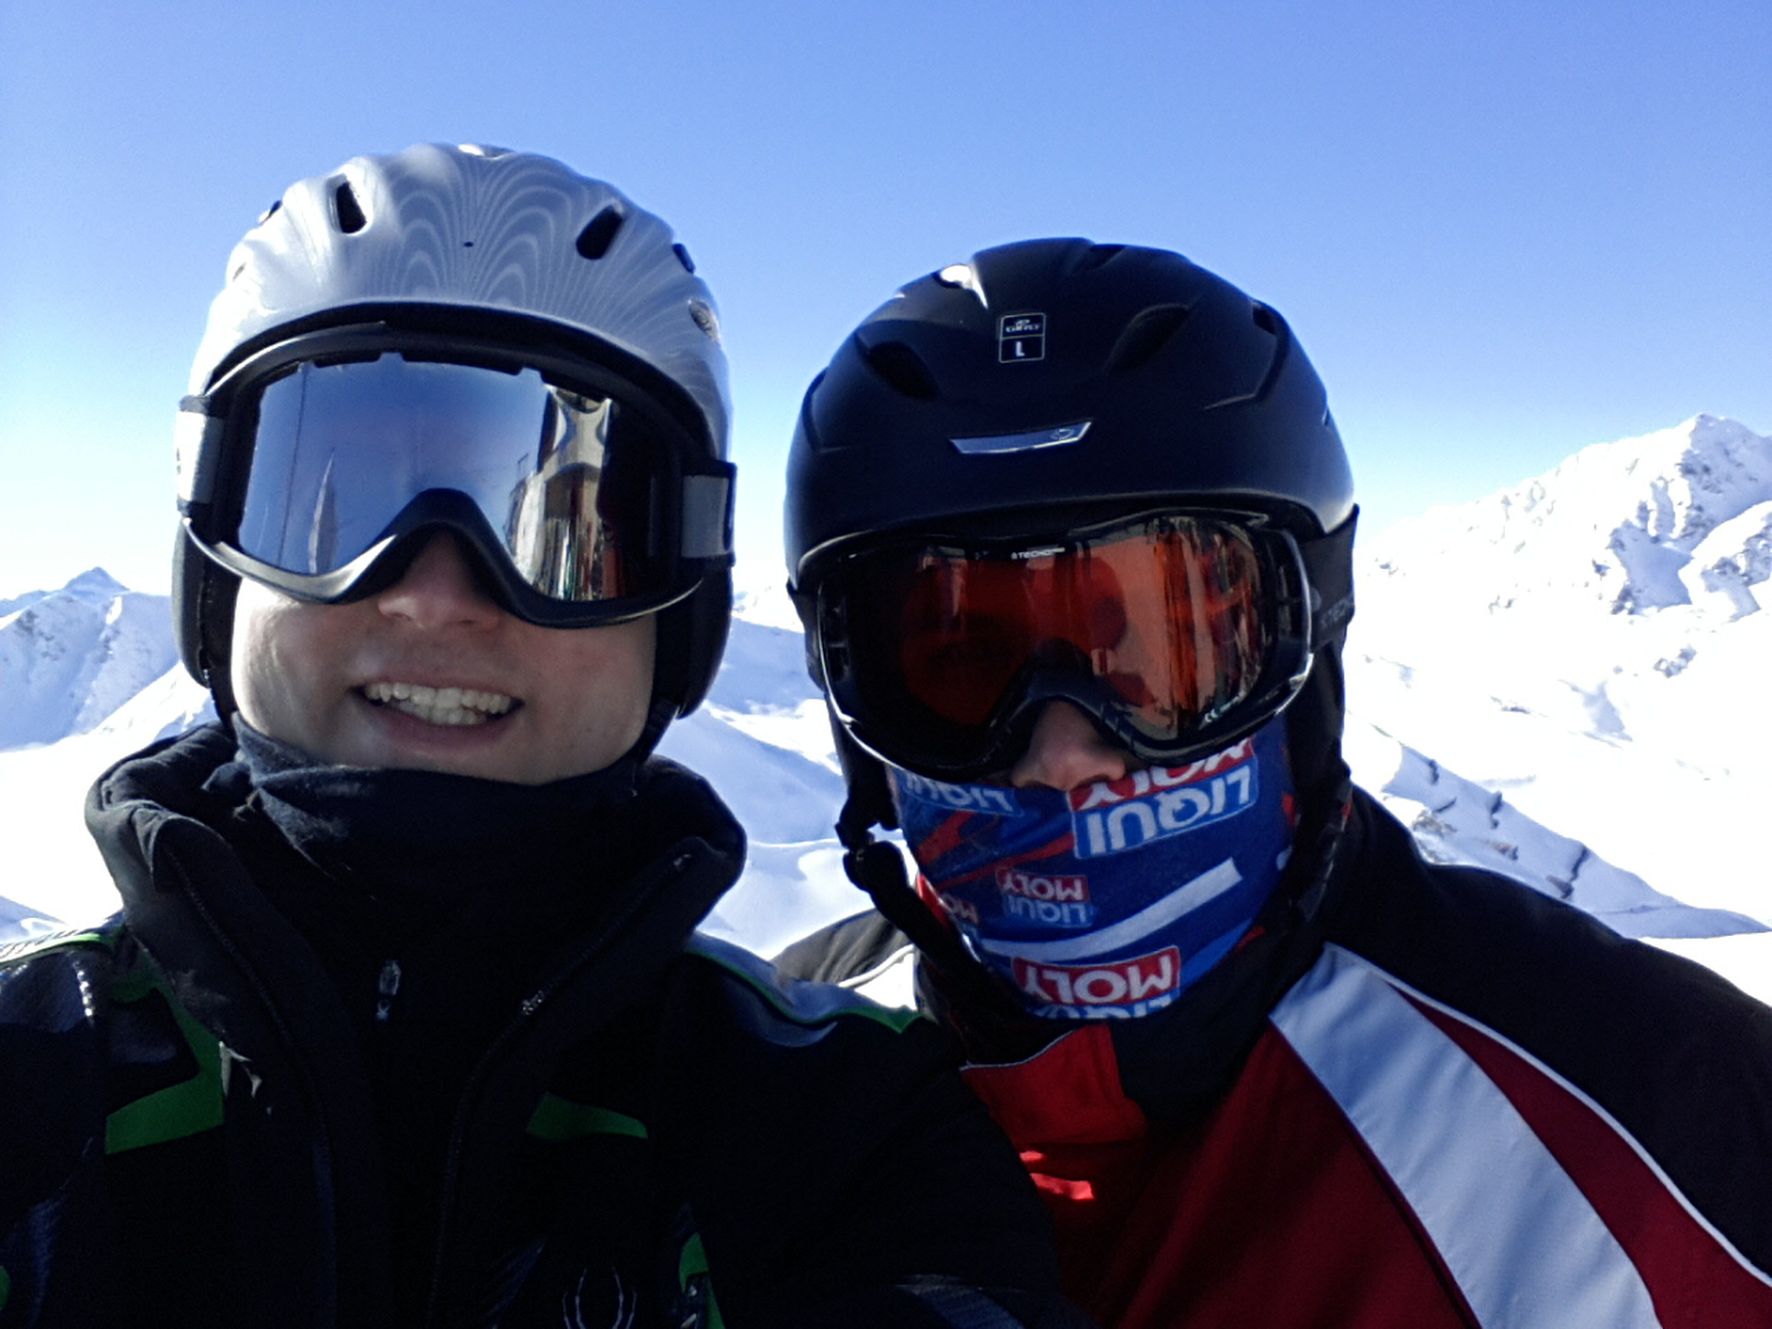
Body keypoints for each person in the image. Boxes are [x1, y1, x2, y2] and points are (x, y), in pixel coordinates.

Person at [0, 147, 1086, 1328]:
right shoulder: (29, 1070)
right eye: (331, 501)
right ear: (214, 569)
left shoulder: (845, 1130)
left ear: (681, 617)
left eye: (561, 533)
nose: (435, 598)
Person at [775, 238, 1772, 1327]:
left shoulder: (1664, 1108)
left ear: (1309, 654)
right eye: (961, 663)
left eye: (1166, 660)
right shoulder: (758, 1076)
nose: (1064, 757)